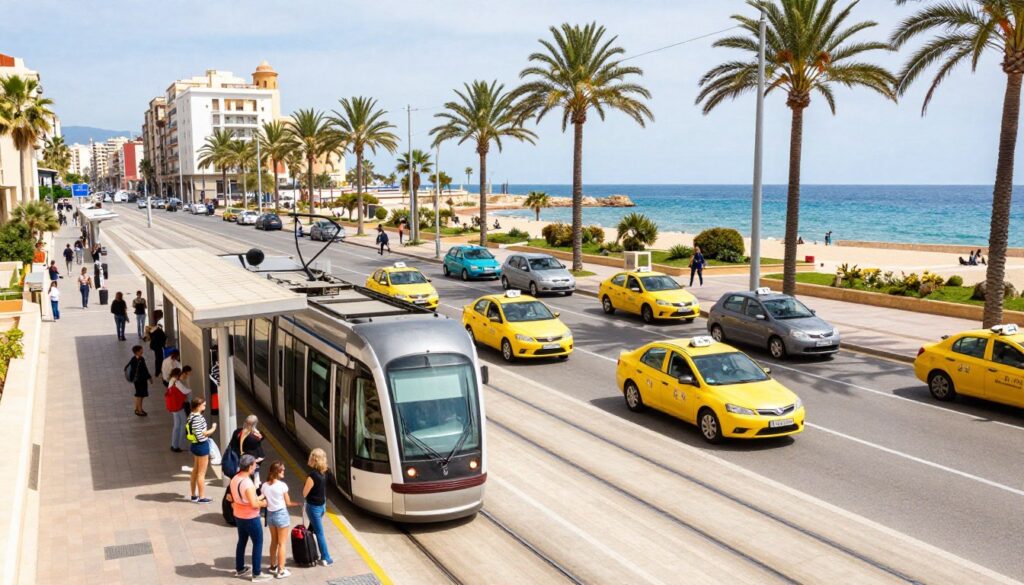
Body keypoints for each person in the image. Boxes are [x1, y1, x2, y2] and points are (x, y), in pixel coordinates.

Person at [229, 454, 269, 581]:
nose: (255, 466)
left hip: (238, 515)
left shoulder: (235, 478)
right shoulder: (248, 483)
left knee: (242, 541)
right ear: (250, 466)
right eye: (254, 465)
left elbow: (243, 498)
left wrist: (259, 497)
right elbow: (253, 503)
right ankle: (257, 573)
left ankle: (240, 568)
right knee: (258, 543)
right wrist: (264, 503)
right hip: (250, 517)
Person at [263, 461, 299, 578]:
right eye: (282, 470)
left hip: (270, 515)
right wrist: (298, 504)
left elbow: (265, 498)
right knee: (282, 543)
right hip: (281, 515)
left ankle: (272, 566)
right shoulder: (282, 486)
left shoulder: (264, 485)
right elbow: (288, 503)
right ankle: (281, 570)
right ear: (277, 472)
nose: (284, 471)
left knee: (274, 541)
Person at [302, 448, 334, 566]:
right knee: (312, 529)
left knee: (319, 533)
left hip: (313, 507)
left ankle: (326, 557)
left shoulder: (312, 476)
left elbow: (304, 493)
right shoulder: (325, 472)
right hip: (322, 506)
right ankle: (309, 549)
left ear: (313, 459)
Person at [186, 397, 217, 503]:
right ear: (198, 406)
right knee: (201, 473)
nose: (205, 407)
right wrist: (213, 428)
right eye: (203, 405)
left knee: (195, 470)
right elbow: (201, 435)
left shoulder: (191, 415)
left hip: (194, 445)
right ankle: (202, 497)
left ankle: (193, 495)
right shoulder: (198, 418)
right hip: (202, 446)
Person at [228, 415, 266, 482]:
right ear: (255, 424)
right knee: (255, 475)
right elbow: (259, 441)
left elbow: (232, 445)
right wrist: (257, 433)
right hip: (253, 459)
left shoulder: (237, 432)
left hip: (240, 458)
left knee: (243, 475)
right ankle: (255, 489)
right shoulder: (254, 437)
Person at [166, 366, 192, 452]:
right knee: (183, 424)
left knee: (177, 426)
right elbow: (185, 391)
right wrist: (191, 390)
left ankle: (174, 445)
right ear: (177, 375)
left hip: (173, 406)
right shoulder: (177, 382)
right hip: (178, 406)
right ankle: (180, 445)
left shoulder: (171, 381)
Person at [125, 345, 153, 416]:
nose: (142, 351)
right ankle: (140, 410)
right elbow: (144, 370)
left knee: (139, 395)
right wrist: (149, 378)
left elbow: (126, 367)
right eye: (141, 350)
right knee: (140, 395)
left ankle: (137, 408)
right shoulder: (139, 360)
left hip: (137, 380)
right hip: (140, 380)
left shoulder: (134, 359)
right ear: (137, 352)